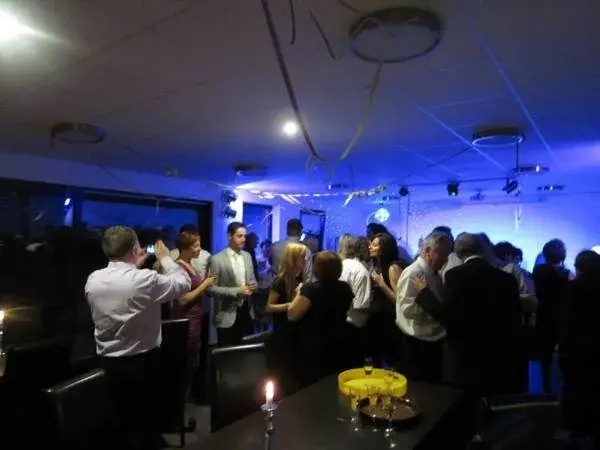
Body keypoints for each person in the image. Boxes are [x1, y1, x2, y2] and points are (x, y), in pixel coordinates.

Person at [85, 226, 191, 450]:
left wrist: (134, 264)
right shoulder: (145, 279)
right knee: (143, 424)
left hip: (106, 364)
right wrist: (166, 259)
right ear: (134, 249)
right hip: (142, 364)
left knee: (119, 423)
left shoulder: (93, 279)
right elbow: (183, 283)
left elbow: (125, 287)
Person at [416, 233, 521, 395]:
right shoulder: (507, 279)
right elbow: (514, 322)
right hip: (499, 360)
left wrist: (424, 293)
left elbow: (448, 318)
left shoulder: (455, 276)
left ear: (458, 253)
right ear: (483, 250)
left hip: (464, 361)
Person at [287, 251, 356, 388]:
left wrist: (299, 293)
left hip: (313, 345)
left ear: (317, 269)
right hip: (338, 342)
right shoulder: (345, 287)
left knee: (311, 386)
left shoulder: (311, 289)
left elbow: (292, 315)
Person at [396, 231, 452, 382]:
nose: (446, 259)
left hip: (431, 341)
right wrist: (433, 308)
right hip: (418, 346)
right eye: (443, 254)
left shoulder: (434, 272)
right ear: (427, 250)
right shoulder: (413, 273)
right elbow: (408, 309)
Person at [560, 250, 600, 448]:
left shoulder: (572, 288)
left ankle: (578, 434)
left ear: (579, 268)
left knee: (576, 391)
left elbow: (566, 322)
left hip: (576, 349)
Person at [171, 231, 217, 391]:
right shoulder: (178, 268)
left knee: (193, 360)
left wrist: (207, 282)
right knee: (186, 363)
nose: (200, 249)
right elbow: (182, 299)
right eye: (196, 246)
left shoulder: (189, 264)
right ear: (185, 248)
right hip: (186, 320)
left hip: (195, 318)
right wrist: (205, 285)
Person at [265, 242, 307, 394]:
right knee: (284, 371)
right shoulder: (280, 280)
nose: (305, 260)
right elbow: (269, 307)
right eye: (302, 257)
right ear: (293, 259)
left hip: (294, 329)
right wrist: (290, 305)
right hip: (282, 331)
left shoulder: (298, 278)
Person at [207, 222, 257, 346]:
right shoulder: (217, 259)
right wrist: (237, 291)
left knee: (247, 352)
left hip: (246, 311)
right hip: (226, 314)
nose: (243, 239)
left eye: (244, 236)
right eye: (239, 236)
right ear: (229, 236)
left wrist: (253, 285)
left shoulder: (247, 256)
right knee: (227, 353)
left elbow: (252, 279)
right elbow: (210, 289)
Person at [533, 239, 570, 393]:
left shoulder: (538, 272)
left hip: (543, 318)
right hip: (564, 319)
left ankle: (545, 390)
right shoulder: (567, 275)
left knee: (545, 357)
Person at [367, 233, 408, 369]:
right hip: (379, 318)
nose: (370, 247)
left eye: (374, 245)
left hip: (389, 320)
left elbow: (398, 299)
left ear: (384, 249)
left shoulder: (393, 267)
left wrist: (380, 282)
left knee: (391, 359)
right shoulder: (377, 264)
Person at [340, 236, 372, 329]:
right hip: (353, 324)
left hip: (340, 320)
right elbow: (361, 306)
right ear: (365, 251)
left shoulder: (342, 263)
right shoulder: (361, 271)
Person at [271, 218, 312, 283]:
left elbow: (273, 269)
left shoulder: (275, 246)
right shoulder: (305, 251)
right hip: (296, 287)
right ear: (300, 232)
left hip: (277, 286)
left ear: (287, 230)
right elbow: (307, 276)